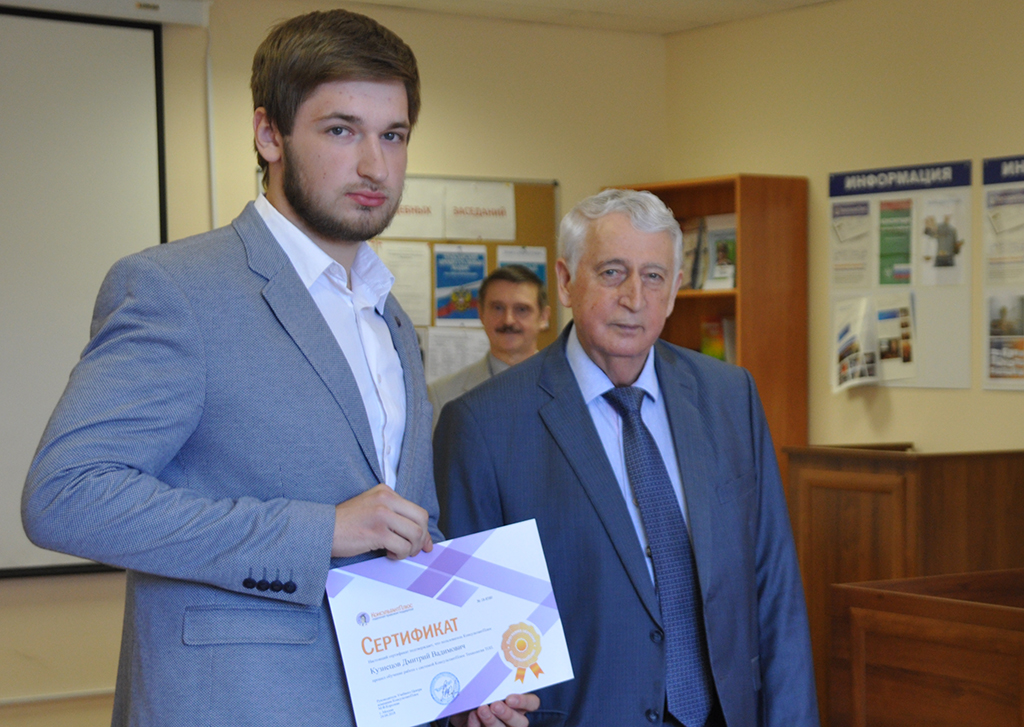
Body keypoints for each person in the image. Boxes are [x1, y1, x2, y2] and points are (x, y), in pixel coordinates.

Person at [22, 9, 535, 727]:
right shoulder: (178, 288)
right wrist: (318, 531)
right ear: (269, 135)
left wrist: (457, 676)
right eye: (341, 130)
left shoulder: (388, 317)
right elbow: (67, 496)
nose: (374, 165)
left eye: (392, 136)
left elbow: (401, 529)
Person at [435, 189, 818, 726]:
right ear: (566, 282)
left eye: (653, 276)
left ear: (675, 289)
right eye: (612, 272)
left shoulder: (729, 396)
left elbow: (775, 588)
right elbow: (462, 626)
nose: (635, 298)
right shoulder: (482, 423)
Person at [429, 264, 550, 428]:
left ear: (543, 317)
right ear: (481, 313)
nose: (508, 320)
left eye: (521, 309)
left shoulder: (570, 389)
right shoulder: (442, 395)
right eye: (497, 308)